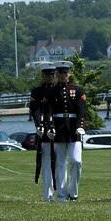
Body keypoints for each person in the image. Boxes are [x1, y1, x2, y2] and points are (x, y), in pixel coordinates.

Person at [50, 61, 87, 200]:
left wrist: (80, 126)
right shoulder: (52, 91)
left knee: (76, 161)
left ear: (69, 73)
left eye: (66, 72)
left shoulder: (77, 90)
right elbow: (49, 111)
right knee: (60, 164)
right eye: (61, 73)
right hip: (58, 128)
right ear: (57, 74)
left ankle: (74, 193)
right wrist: (50, 127)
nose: (63, 75)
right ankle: (62, 194)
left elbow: (81, 110)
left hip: (73, 129)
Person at [28, 62, 59, 201]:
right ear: (43, 75)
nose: (51, 77)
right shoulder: (37, 91)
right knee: (46, 163)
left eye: (52, 74)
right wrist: (38, 125)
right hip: (45, 130)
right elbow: (35, 109)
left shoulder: (59, 90)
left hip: (60, 128)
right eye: (48, 75)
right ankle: (48, 194)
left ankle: (62, 191)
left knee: (60, 162)